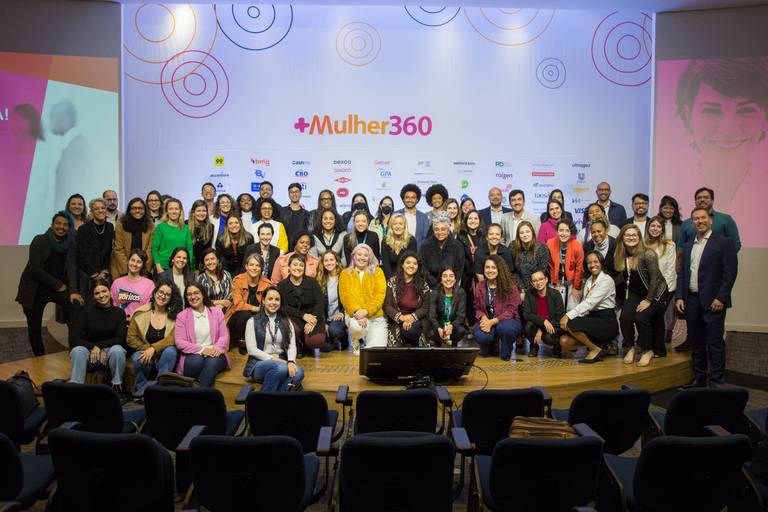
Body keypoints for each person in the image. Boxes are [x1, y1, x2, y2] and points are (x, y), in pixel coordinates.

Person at [670, 58, 768, 246]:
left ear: (765, 118)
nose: (728, 129)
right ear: (687, 115)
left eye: (745, 110)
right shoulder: (675, 184)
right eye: (711, 111)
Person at [675, 207, 738, 387]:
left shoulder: (724, 243)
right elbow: (682, 274)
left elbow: (730, 273)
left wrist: (722, 298)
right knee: (696, 343)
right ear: (692, 222)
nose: (700, 221)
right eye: (696, 219)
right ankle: (699, 378)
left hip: (714, 302)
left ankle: (717, 381)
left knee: (715, 343)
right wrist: (680, 296)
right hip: (692, 300)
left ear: (710, 220)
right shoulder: (688, 246)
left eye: (703, 218)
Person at [16, 212, 83, 356]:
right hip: (35, 289)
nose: (61, 227)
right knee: (34, 327)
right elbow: (35, 269)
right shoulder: (40, 240)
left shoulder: (71, 243)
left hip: (56, 289)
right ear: (52, 225)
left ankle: (75, 350)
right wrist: (57, 284)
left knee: (74, 306)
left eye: (65, 225)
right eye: (58, 224)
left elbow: (72, 268)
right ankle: (39, 356)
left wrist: (73, 291)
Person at [614, 224, 668, 367]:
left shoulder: (648, 254)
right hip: (635, 292)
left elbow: (655, 279)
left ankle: (647, 350)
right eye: (627, 235)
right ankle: (631, 347)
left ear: (639, 237)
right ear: (622, 238)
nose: (631, 237)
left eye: (634, 235)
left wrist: (648, 300)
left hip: (656, 291)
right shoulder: (621, 254)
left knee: (641, 317)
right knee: (625, 317)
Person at [69, 278, 127, 395]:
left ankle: (117, 388)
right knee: (77, 351)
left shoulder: (119, 313)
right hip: (90, 351)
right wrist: (93, 347)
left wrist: (100, 346)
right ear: (93, 296)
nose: (101, 295)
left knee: (118, 350)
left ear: (110, 292)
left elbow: (120, 339)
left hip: (108, 351)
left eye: (104, 291)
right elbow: (73, 338)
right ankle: (75, 390)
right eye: (97, 293)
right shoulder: (87, 312)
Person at [559, 251, 619, 363]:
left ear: (601, 263)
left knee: (570, 323)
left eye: (596, 262)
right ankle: (596, 345)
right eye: (589, 263)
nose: (592, 265)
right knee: (564, 341)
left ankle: (595, 349)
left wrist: (568, 316)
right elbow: (584, 302)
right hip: (592, 319)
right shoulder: (589, 280)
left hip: (606, 321)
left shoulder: (607, 280)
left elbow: (590, 303)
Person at [243, 287, 304, 391]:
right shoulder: (252, 321)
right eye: (270, 299)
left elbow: (291, 345)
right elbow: (251, 350)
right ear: (263, 301)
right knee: (280, 368)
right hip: (259, 363)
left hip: (282, 362)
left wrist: (291, 361)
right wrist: (273, 359)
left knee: (299, 372)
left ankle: (276, 397)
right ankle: (266, 397)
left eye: (277, 299)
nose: (274, 302)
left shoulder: (286, 321)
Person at [127, 280, 183, 394]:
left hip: (164, 352)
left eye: (167, 295)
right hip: (143, 350)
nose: (163, 296)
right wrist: (147, 349)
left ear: (171, 298)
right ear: (154, 293)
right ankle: (140, 390)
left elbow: (172, 338)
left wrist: (153, 349)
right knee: (139, 357)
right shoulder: (140, 313)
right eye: (160, 292)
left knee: (171, 351)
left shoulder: (175, 315)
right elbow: (131, 338)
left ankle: (160, 388)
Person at [174, 283, 230, 387]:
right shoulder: (182, 316)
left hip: (215, 352)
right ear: (186, 298)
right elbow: (180, 342)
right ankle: (198, 394)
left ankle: (198, 395)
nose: (193, 296)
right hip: (194, 352)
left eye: (196, 293)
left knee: (212, 363)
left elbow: (223, 335)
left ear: (203, 294)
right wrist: (202, 350)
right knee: (196, 362)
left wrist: (216, 348)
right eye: (189, 294)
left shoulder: (216, 312)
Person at [339, 243, 387, 355]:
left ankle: (366, 340)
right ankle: (356, 339)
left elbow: (380, 295)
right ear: (354, 256)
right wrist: (357, 312)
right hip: (354, 316)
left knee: (375, 352)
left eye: (366, 255)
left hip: (375, 317)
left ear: (370, 257)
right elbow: (345, 296)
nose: (362, 257)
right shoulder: (345, 273)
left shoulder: (378, 272)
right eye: (359, 254)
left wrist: (366, 311)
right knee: (357, 327)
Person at [473, 255, 523, 361]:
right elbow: (477, 307)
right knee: (482, 337)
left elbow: (511, 311)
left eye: (493, 267)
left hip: (508, 320)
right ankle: (492, 343)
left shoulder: (511, 287)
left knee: (505, 329)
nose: (490, 270)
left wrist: (492, 322)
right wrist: (483, 317)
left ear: (500, 269)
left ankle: (505, 351)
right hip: (487, 319)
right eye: (487, 267)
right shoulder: (480, 286)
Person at [276, 253, 326, 355]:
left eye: (301, 265)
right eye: (295, 265)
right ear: (289, 267)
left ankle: (308, 344)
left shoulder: (312, 282)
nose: (298, 268)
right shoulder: (282, 285)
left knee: (316, 341)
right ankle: (297, 344)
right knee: (292, 329)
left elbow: (320, 302)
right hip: (294, 317)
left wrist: (312, 319)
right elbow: (284, 307)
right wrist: (303, 315)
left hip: (313, 316)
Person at [645, 216, 678, 355]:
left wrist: (666, 293)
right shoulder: (643, 244)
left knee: (658, 317)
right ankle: (648, 346)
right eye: (653, 226)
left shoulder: (669, 245)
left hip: (665, 288)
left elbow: (670, 270)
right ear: (648, 227)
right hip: (648, 288)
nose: (655, 229)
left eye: (659, 226)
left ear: (662, 230)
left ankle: (658, 349)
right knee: (649, 317)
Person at [383, 251, 430, 347]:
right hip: (396, 319)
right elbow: (387, 306)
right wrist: (402, 318)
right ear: (402, 265)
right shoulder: (392, 282)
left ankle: (413, 349)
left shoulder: (423, 285)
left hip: (416, 320)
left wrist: (411, 317)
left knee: (411, 331)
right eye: (408, 262)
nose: (411, 266)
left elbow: (425, 308)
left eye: (415, 263)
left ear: (418, 267)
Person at [225, 253, 272, 343]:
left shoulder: (267, 284)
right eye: (251, 265)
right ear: (246, 266)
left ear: (261, 268)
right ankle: (244, 341)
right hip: (238, 315)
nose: (254, 268)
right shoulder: (238, 280)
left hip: (259, 315)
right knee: (245, 315)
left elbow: (269, 305)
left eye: (258, 265)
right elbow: (238, 305)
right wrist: (256, 309)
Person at [677, 187, 741, 252]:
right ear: (695, 201)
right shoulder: (686, 223)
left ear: (712, 201)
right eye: (699, 198)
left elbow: (735, 244)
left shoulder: (725, 219)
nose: (702, 200)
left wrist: (724, 259)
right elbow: (680, 247)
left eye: (706, 197)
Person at [522, 270, 566, 358]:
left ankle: (556, 345)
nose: (538, 283)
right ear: (531, 283)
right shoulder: (529, 294)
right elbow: (526, 314)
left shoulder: (555, 294)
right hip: (537, 322)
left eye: (541, 279)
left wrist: (541, 330)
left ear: (546, 279)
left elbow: (559, 316)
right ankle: (534, 346)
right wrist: (543, 321)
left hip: (553, 324)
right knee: (528, 328)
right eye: (535, 281)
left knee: (548, 338)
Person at [76, 198, 114, 294]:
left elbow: (108, 251)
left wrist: (104, 271)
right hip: (88, 273)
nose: (100, 210)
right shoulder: (83, 229)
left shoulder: (110, 227)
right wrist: (95, 274)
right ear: (92, 211)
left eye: (103, 208)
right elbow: (81, 255)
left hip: (104, 272)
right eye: (96, 209)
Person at [418, 215, 465, 289]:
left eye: (443, 229)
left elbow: (459, 269)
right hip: (430, 288)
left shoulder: (457, 246)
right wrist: (436, 285)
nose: (440, 232)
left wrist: (448, 285)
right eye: (436, 229)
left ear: (448, 229)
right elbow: (422, 268)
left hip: (450, 287)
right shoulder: (425, 246)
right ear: (433, 230)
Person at [111, 198, 154, 277]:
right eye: (134, 208)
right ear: (129, 210)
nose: (137, 211)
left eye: (140, 208)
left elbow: (150, 249)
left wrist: (143, 267)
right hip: (124, 268)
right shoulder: (121, 223)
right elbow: (119, 249)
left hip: (143, 268)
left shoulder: (150, 224)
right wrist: (128, 269)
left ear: (145, 210)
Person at [546, 220, 584, 308]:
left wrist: (576, 287)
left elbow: (579, 268)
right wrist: (554, 283)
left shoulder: (577, 246)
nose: (564, 233)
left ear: (571, 232)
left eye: (567, 230)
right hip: (556, 279)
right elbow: (550, 266)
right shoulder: (550, 243)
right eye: (561, 230)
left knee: (572, 307)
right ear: (556, 231)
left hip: (572, 281)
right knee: (555, 306)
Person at [316, 251, 348, 351]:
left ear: (337, 262)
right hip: (327, 318)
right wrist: (323, 322)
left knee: (334, 330)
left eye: (331, 260)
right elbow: (318, 304)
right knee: (324, 348)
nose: (329, 263)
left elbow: (349, 298)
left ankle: (344, 338)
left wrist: (343, 313)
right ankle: (333, 340)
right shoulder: (320, 279)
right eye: (326, 260)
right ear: (323, 263)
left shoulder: (344, 277)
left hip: (340, 316)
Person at [427, 267, 467, 347]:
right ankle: (437, 343)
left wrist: (452, 326)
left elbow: (461, 315)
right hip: (439, 327)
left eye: (451, 276)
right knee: (431, 333)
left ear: (455, 279)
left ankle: (454, 344)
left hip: (454, 327)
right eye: (445, 276)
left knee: (461, 331)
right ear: (441, 280)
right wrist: (438, 328)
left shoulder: (460, 292)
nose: (448, 279)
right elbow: (432, 316)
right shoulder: (435, 293)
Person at [152, 198, 195, 273]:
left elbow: (189, 250)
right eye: (171, 209)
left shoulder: (186, 229)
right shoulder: (160, 227)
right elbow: (154, 249)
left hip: (181, 267)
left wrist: (189, 266)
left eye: (176, 209)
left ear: (180, 211)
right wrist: (158, 267)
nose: (174, 211)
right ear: (167, 212)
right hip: (163, 268)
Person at [110, 249, 155, 320]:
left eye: (139, 262)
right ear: (128, 261)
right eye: (132, 260)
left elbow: (149, 307)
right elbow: (114, 306)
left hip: (140, 323)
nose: (134, 264)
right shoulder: (117, 283)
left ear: (143, 265)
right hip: (120, 322)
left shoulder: (149, 284)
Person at [510, 220, 550, 291]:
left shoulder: (542, 248)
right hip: (518, 286)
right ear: (518, 235)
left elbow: (542, 271)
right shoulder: (512, 246)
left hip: (537, 286)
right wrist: (521, 288)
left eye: (527, 232)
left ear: (532, 233)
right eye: (521, 233)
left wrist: (531, 290)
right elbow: (512, 271)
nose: (525, 235)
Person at [379, 213, 417, 279]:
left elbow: (412, 264)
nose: (398, 226)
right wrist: (393, 282)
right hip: (390, 278)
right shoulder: (385, 241)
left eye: (400, 224)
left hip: (407, 278)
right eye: (395, 224)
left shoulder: (411, 240)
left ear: (404, 226)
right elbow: (386, 266)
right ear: (391, 226)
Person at [188, 199, 214, 272]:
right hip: (187, 264)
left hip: (202, 266)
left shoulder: (210, 227)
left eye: (204, 211)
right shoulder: (186, 225)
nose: (201, 213)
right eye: (198, 211)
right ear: (193, 213)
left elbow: (207, 249)